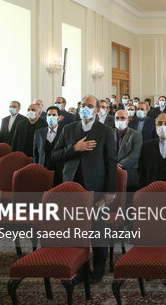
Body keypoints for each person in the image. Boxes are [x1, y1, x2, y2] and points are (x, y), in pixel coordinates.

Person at [51, 94, 117, 283]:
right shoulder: (68, 129)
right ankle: (79, 269)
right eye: (83, 105)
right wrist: (74, 148)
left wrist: (109, 192)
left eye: (89, 105)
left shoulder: (105, 131)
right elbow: (55, 155)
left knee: (98, 230)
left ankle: (98, 269)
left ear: (97, 110)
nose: (85, 108)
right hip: (71, 187)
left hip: (96, 188)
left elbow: (111, 163)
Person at [32, 106, 63, 185]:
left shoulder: (64, 132)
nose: (51, 117)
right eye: (49, 115)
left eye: (54, 115)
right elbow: (35, 154)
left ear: (59, 118)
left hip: (59, 170)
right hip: (43, 169)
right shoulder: (39, 133)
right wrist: (36, 169)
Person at [114, 109, 142, 192]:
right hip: (112, 173)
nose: (119, 120)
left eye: (122, 118)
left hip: (129, 173)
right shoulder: (109, 133)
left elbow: (135, 154)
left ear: (128, 120)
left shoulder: (136, 134)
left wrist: (119, 165)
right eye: (117, 118)